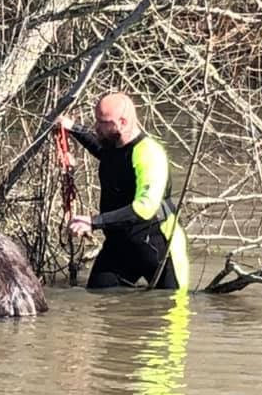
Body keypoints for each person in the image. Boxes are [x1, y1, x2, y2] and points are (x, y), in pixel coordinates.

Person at [56, 92, 189, 290]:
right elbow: (104, 153)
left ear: (123, 122)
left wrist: (94, 222)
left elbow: (146, 208)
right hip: (119, 244)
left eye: (103, 123)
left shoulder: (149, 153)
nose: (97, 127)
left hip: (157, 245)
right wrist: (73, 128)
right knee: (99, 298)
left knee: (171, 308)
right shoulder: (113, 146)